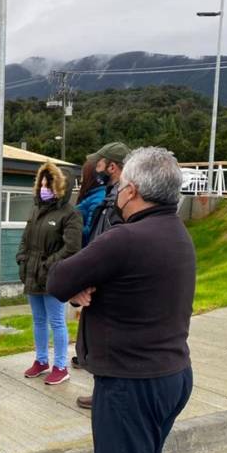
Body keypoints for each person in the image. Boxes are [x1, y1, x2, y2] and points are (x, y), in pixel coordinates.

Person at [47, 147, 195, 453]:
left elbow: (58, 279)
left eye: (122, 185)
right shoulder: (177, 232)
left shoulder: (125, 238)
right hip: (171, 375)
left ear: (131, 191)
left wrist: (78, 285)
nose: (117, 192)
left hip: (131, 384)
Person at [74, 141, 131, 409]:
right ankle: (102, 390)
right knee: (97, 338)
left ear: (112, 166)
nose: (96, 168)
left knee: (109, 340)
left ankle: (108, 394)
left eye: (100, 163)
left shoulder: (123, 200)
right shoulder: (109, 195)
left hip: (110, 283)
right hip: (98, 278)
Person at [16, 162, 82, 385]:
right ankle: (41, 360)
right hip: (32, 275)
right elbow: (25, 240)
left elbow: (72, 247)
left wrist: (49, 265)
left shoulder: (70, 214)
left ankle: (60, 366)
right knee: (38, 320)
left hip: (53, 277)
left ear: (60, 186)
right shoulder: (36, 210)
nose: (44, 188)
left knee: (56, 321)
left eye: (49, 184)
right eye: (42, 184)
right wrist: (22, 260)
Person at [74, 159, 106, 247]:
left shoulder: (98, 199)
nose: (81, 180)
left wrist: (70, 228)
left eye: (83, 175)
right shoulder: (91, 196)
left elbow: (91, 231)